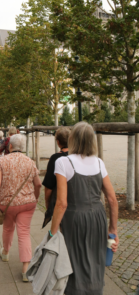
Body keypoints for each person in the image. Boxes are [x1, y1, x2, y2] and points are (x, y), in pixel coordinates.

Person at [50, 122, 119, 295]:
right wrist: (113, 229)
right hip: (98, 217)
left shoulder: (63, 162)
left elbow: (61, 203)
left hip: (74, 218)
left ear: (73, 139)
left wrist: (52, 232)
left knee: (73, 260)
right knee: (96, 259)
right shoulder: (99, 163)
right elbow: (112, 199)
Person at [0, 134, 42, 282]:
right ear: (23, 147)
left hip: (7, 204)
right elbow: (38, 184)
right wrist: (35, 196)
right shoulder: (30, 162)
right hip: (28, 203)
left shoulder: (2, 160)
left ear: (10, 146)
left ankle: (6, 252)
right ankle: (26, 269)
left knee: (8, 228)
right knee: (24, 232)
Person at [42, 127, 70, 213]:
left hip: (61, 200)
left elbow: (49, 185)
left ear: (58, 142)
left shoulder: (55, 158)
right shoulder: (78, 155)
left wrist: (47, 203)